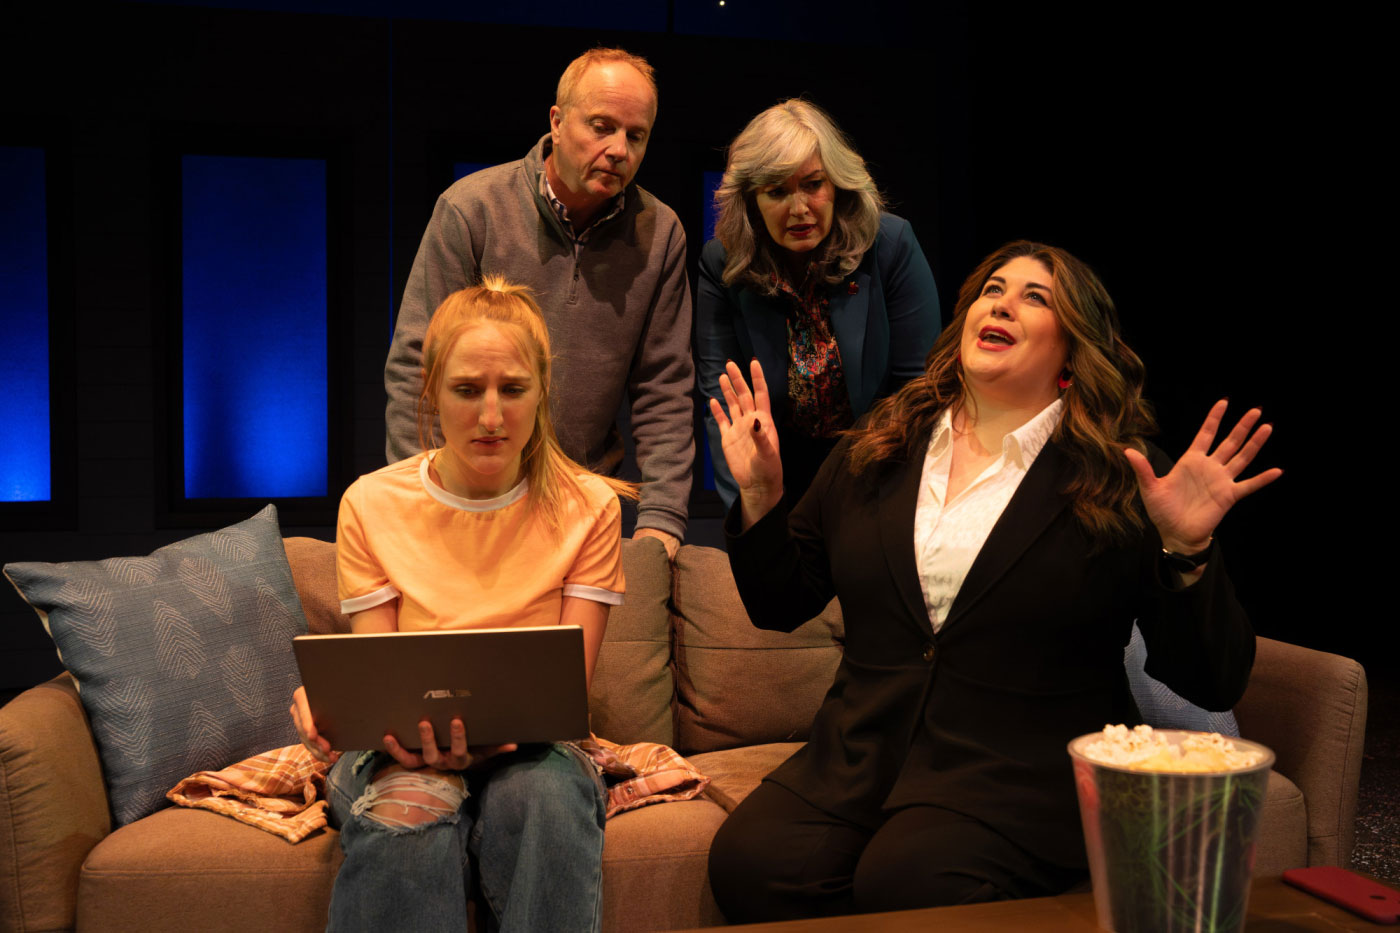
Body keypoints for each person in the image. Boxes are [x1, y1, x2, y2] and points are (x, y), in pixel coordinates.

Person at [704, 241, 1280, 921]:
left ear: (1074, 349)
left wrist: (1186, 549)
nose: (1003, 304)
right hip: (861, 759)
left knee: (909, 879)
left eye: (1036, 298)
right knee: (753, 862)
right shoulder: (879, 445)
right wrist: (761, 497)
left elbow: (1211, 679)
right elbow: (780, 602)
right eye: (992, 290)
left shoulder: (1120, 474)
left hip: (1018, 774)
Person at [293, 279, 636, 932]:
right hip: (403, 750)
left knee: (547, 800)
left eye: (513, 389)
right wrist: (335, 709)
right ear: (431, 390)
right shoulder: (371, 503)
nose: (491, 417)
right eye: (468, 389)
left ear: (542, 391)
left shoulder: (590, 507)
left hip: (534, 751)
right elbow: (380, 680)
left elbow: (564, 693)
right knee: (411, 806)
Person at [383, 47, 692, 558]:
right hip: (470, 495)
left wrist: (662, 519)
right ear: (557, 121)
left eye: (636, 136)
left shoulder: (659, 233)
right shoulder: (472, 209)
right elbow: (419, 364)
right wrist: (424, 497)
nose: (619, 149)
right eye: (601, 127)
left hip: (583, 503)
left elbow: (665, 387)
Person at [697, 99, 941, 508]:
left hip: (880, 472)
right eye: (777, 191)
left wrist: (885, 508)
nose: (799, 209)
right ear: (751, 200)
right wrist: (751, 511)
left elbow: (917, 393)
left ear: (837, 185)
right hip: (776, 475)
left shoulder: (891, 245)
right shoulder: (722, 263)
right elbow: (724, 404)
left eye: (813, 185)